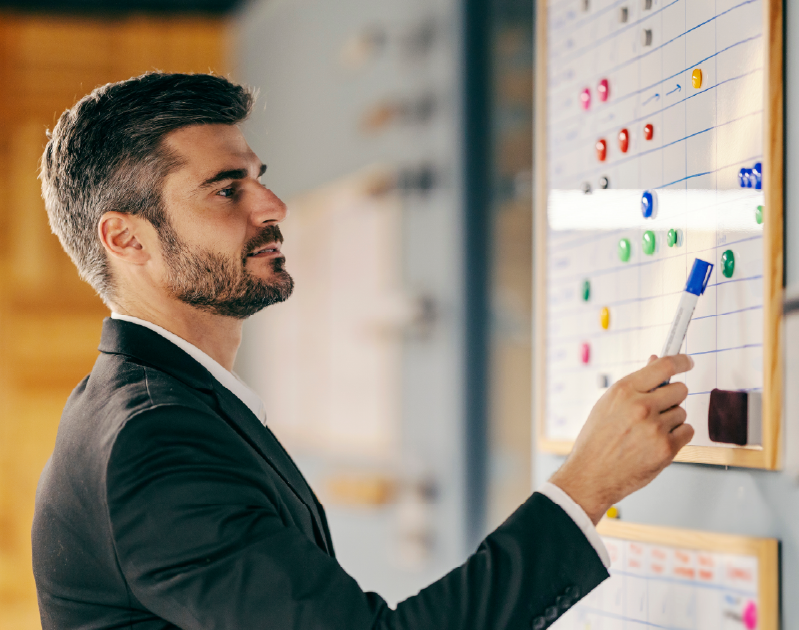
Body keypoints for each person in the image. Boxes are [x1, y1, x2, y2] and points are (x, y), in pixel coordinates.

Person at [31, 72, 695, 630]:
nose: (273, 205)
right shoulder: (154, 440)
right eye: (227, 190)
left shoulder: (154, 405)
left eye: (259, 178)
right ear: (126, 239)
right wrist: (587, 485)